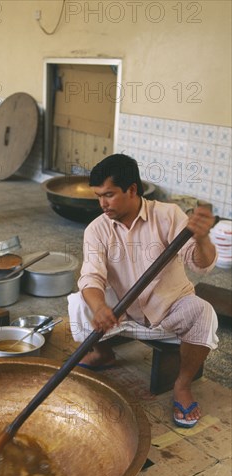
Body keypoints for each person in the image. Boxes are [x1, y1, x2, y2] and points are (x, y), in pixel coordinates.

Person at [68, 153, 218, 428]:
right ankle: (102, 353)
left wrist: (202, 238)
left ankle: (182, 386)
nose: (102, 204)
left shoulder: (168, 215)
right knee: (81, 302)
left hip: (169, 307)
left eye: (109, 195)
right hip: (122, 314)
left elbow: (201, 264)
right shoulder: (96, 230)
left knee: (204, 313)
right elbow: (91, 276)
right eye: (98, 195)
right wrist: (100, 307)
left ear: (132, 190)